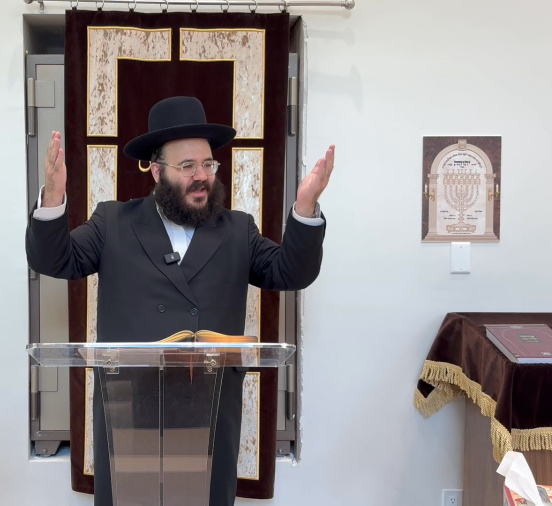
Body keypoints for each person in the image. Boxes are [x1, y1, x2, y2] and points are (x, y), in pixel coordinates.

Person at [26, 96, 334, 506]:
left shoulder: (237, 229)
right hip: (130, 409)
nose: (201, 176)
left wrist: (306, 206)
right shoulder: (112, 222)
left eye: (208, 164)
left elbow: (291, 272)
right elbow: (55, 260)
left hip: (210, 408)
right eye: (187, 166)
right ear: (157, 171)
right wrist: (52, 197)